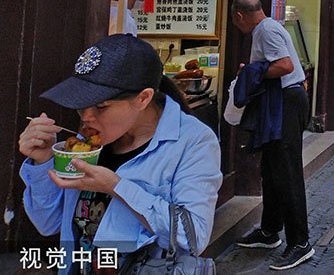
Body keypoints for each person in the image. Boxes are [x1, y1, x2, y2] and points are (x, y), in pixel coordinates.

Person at [18, 34, 221, 274]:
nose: (86, 117)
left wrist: (116, 187)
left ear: (143, 98)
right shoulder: (86, 143)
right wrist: (42, 162)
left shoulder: (193, 141)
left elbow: (193, 237)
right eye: (81, 104)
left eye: (101, 107)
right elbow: (48, 224)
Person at [231, 0, 314, 271]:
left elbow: (285, 65)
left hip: (286, 103)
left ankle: (300, 242)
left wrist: (253, 72)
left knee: (287, 171)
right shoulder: (267, 28)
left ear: (239, 16)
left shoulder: (265, 30)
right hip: (282, 101)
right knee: (272, 168)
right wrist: (256, 70)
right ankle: (269, 231)